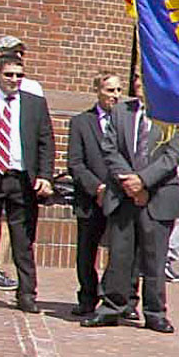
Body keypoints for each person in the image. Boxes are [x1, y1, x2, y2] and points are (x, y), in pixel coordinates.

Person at [81, 74, 179, 332]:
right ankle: (112, 307)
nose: (140, 83)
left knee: (154, 258)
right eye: (137, 78)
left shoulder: (172, 114)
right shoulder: (121, 111)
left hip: (158, 195)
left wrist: (144, 181)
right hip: (123, 195)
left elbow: (173, 154)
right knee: (119, 255)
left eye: (146, 77)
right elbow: (109, 149)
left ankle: (155, 312)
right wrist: (130, 182)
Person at [0, 52, 54, 312]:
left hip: (22, 179)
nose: (14, 79)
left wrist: (45, 176)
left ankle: (27, 295)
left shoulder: (34, 104)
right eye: (9, 74)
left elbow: (46, 141)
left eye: (19, 75)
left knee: (23, 240)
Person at [66, 70, 123, 316]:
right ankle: (87, 297)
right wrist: (97, 188)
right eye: (110, 90)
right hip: (91, 197)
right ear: (98, 91)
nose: (116, 96)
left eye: (119, 90)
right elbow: (75, 162)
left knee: (121, 251)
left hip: (121, 197)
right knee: (87, 251)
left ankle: (119, 299)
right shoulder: (81, 122)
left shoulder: (126, 121)